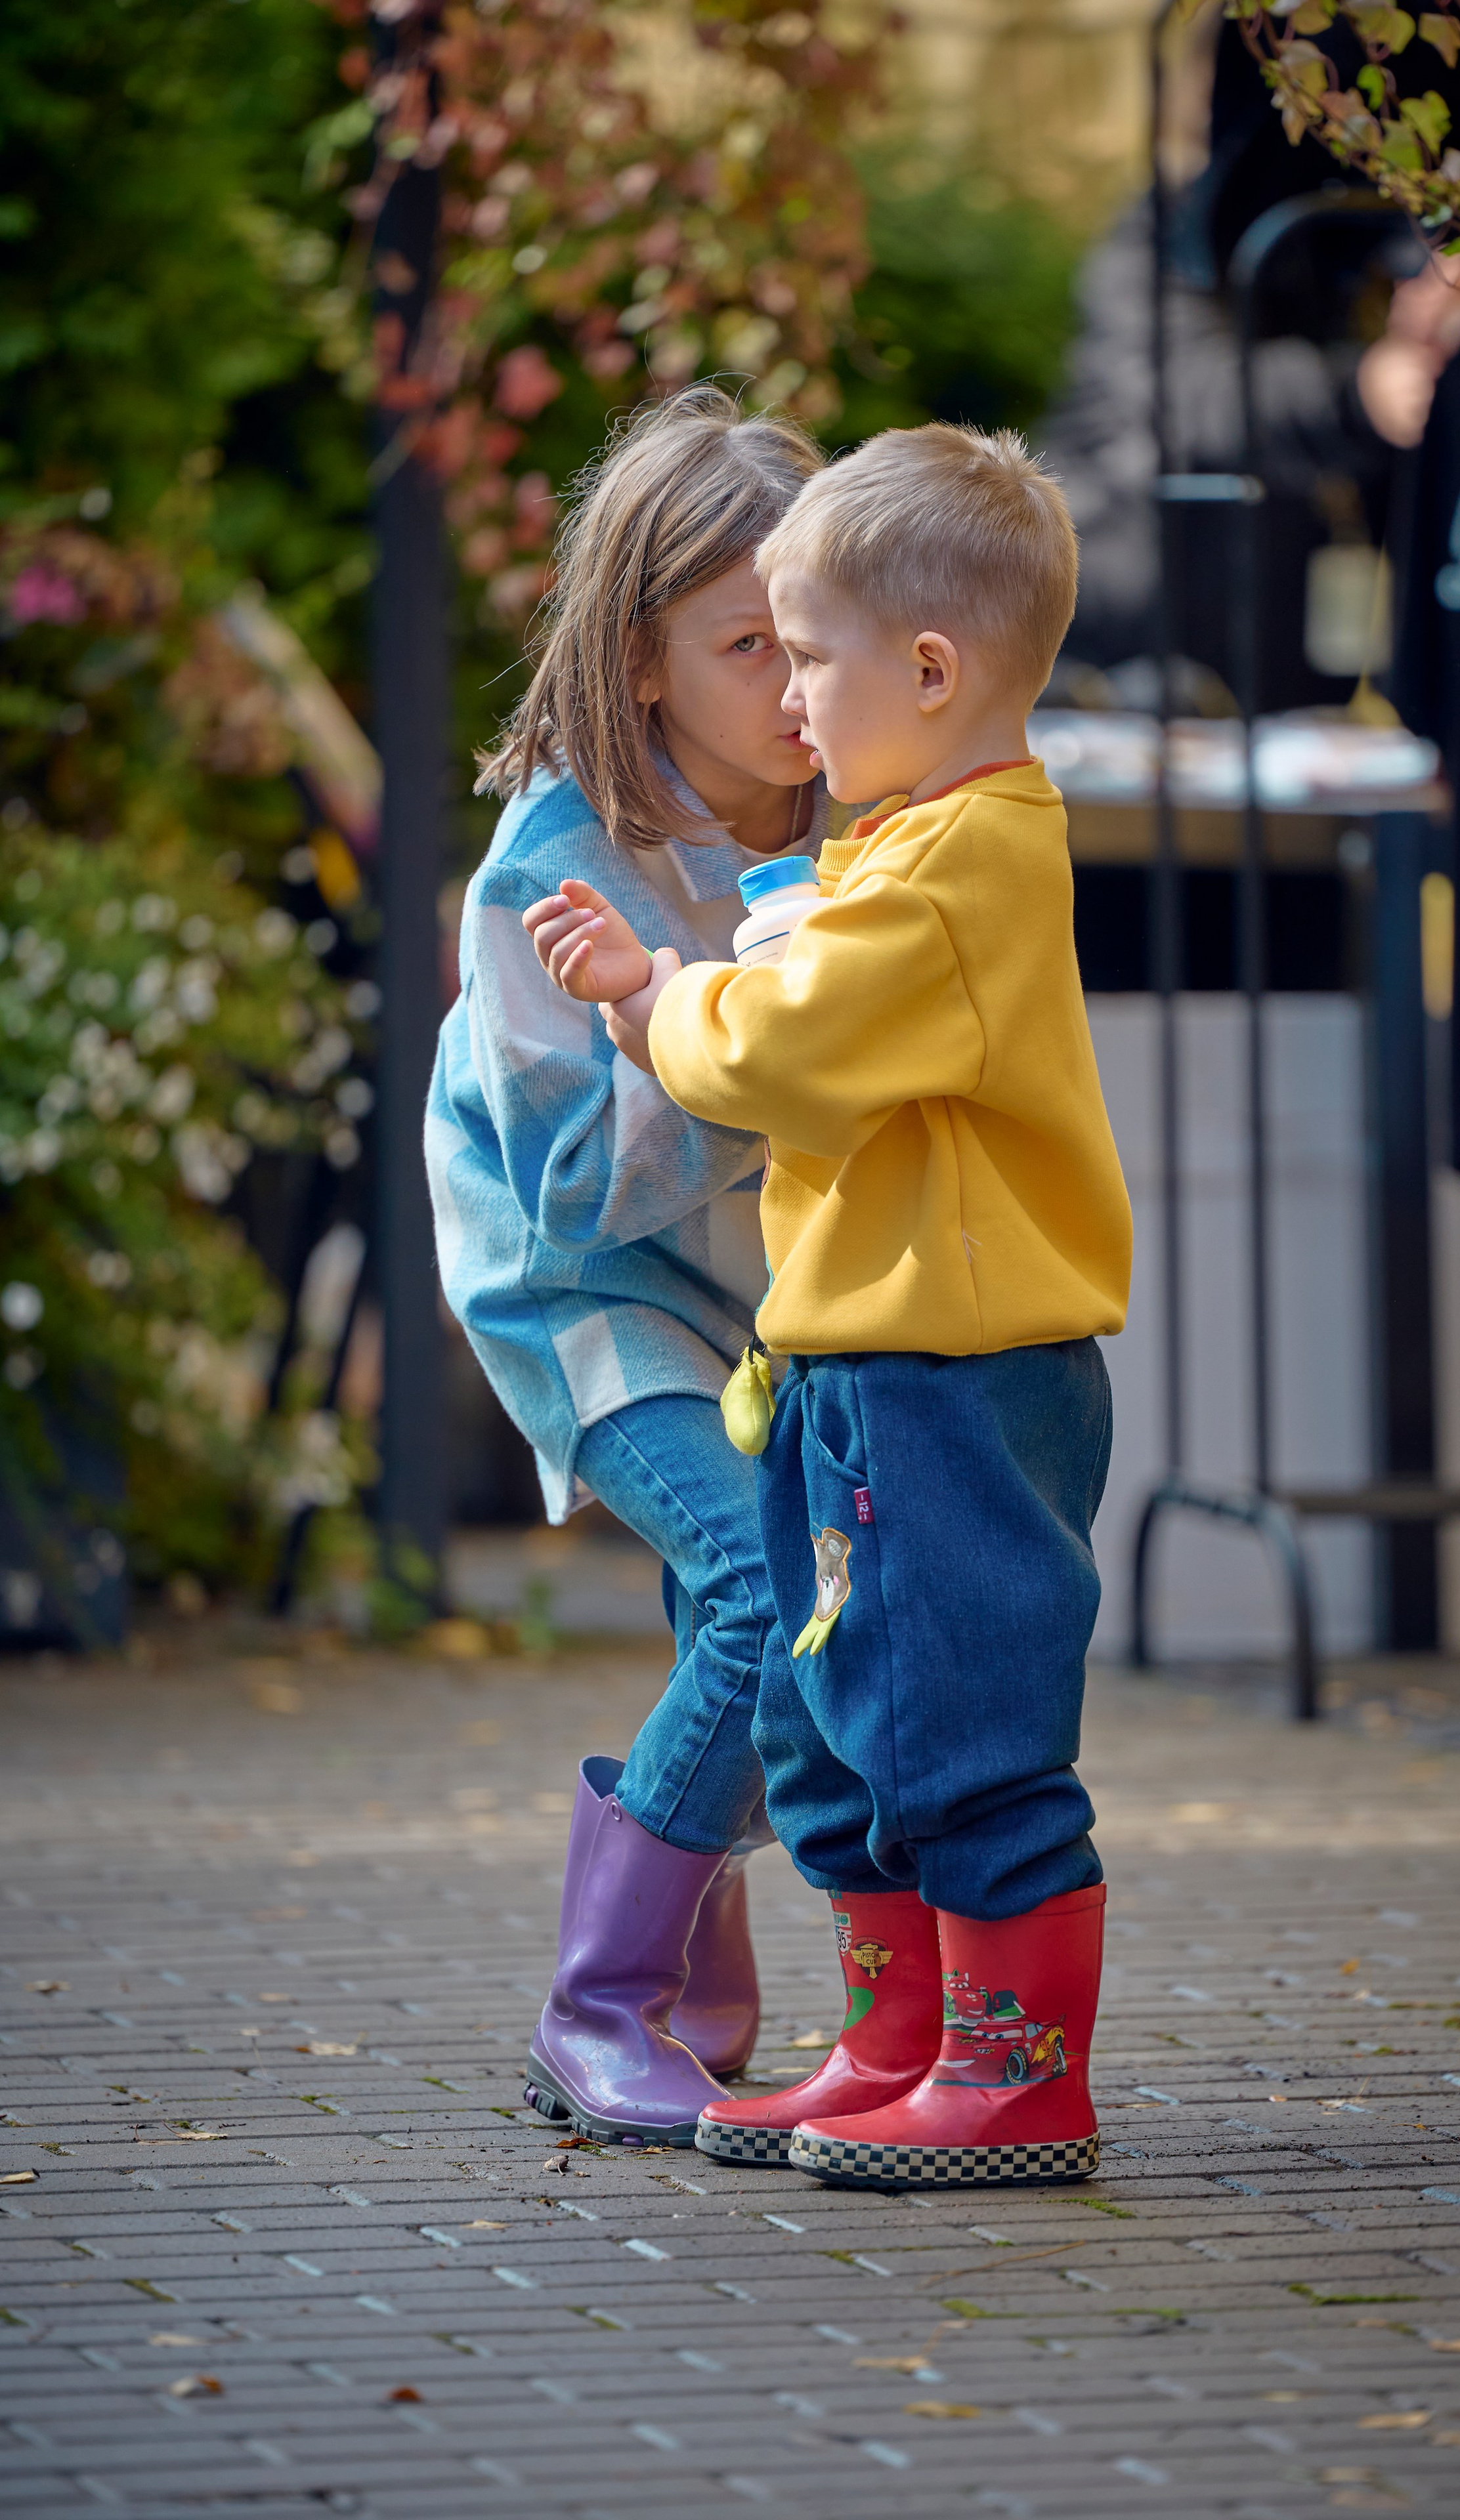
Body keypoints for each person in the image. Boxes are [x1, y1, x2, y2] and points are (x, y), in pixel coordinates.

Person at [530, 424, 1134, 2191]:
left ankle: (1018, 2074)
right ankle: (899, 2046)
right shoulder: (908, 844)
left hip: (958, 1375)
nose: (790, 701)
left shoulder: (963, 866)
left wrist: (657, 997)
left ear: (930, 672)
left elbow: (784, 1045)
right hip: (866, 1361)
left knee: (959, 1716)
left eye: (810, 658)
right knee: (842, 1713)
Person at [425, 385, 835, 2147]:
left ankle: (692, 1985)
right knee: (760, 1590)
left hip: (758, 1291)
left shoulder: (846, 818)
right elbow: (577, 1185)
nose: (798, 686)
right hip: (582, 1295)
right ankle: (593, 2007)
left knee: (731, 1614)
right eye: (751, 644)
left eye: (815, 638)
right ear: (646, 660)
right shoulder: (549, 874)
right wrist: (751, 1052)